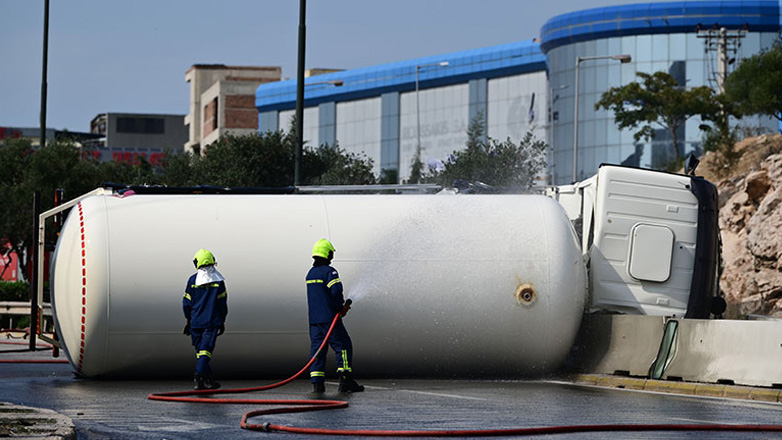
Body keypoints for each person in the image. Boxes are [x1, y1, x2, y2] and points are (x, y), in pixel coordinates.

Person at [306, 238, 364, 394]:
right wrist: (340, 307)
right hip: (329, 319)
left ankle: (317, 385)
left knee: (317, 351)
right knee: (343, 346)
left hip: (314, 321)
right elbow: (336, 290)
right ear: (328, 253)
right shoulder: (329, 272)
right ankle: (346, 381)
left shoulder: (310, 273)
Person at [183, 249, 228, 390]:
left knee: (201, 353)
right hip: (211, 323)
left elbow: (186, 303)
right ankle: (199, 375)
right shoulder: (218, 282)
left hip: (196, 323)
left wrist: (188, 321)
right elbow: (222, 304)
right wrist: (222, 321)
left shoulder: (192, 280)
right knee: (205, 351)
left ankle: (207, 381)